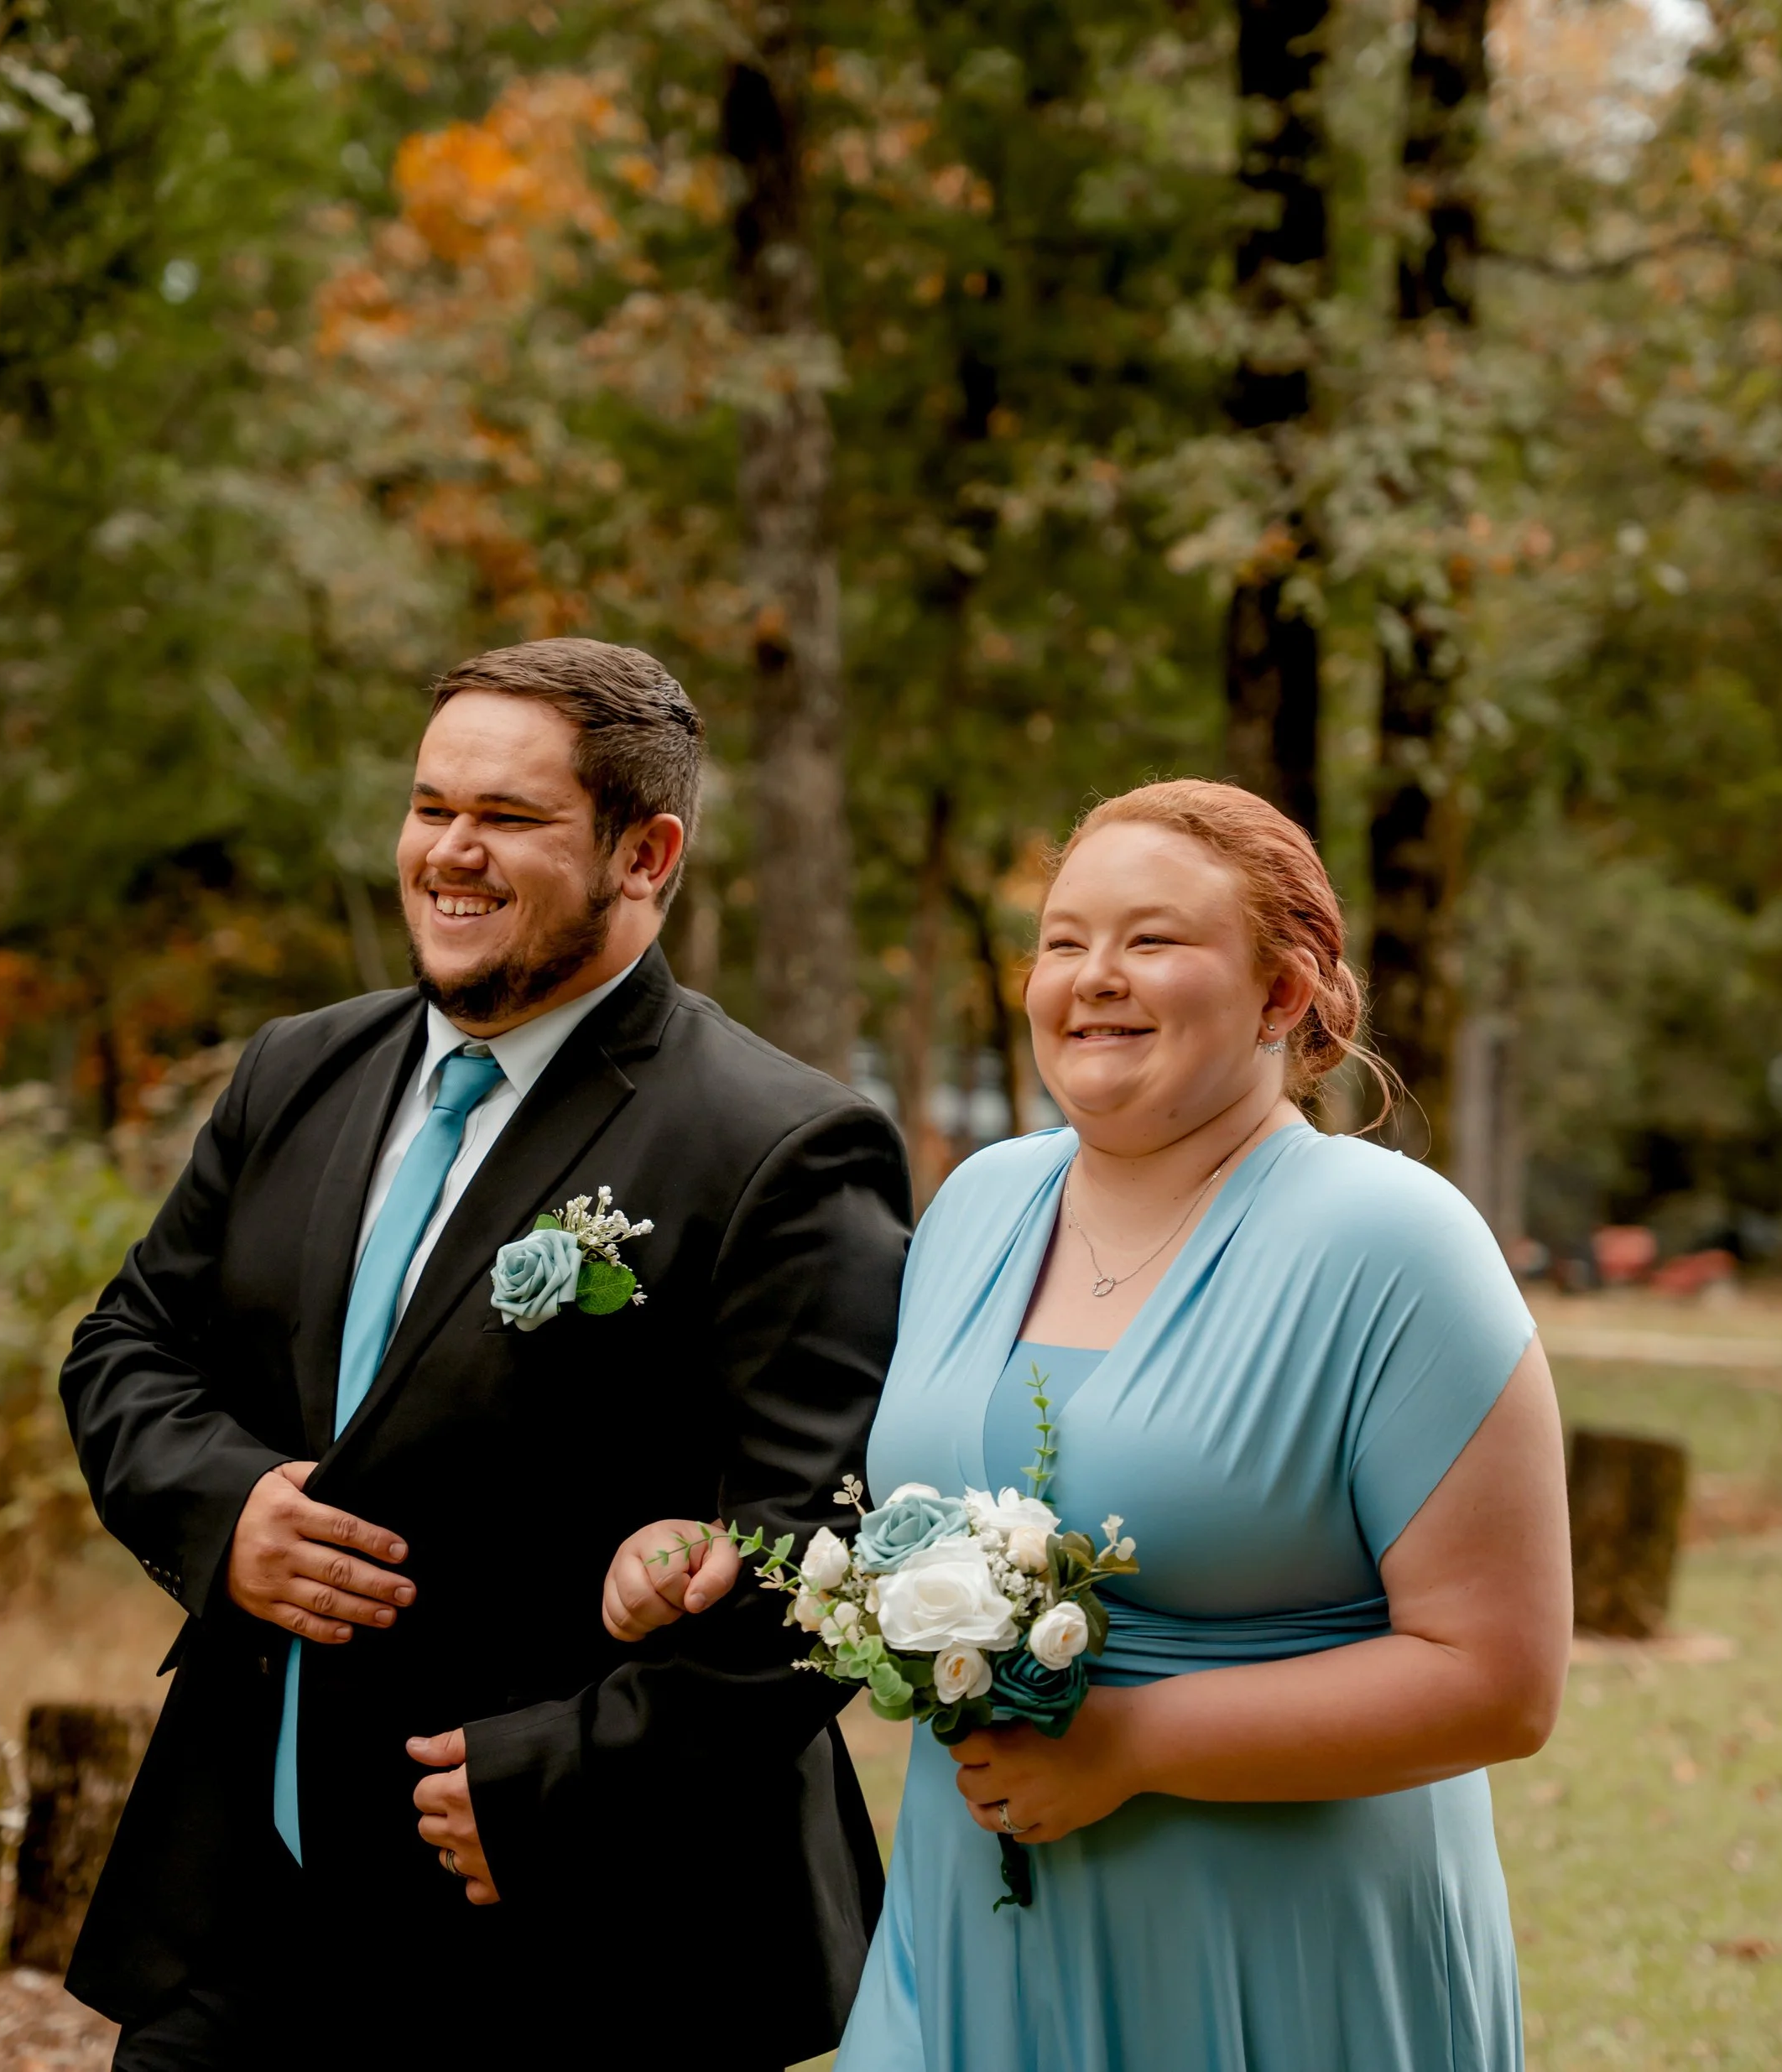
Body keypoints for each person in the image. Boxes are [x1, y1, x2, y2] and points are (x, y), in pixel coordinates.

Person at [607, 777, 1571, 2071]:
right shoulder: (975, 1205)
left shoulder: (1393, 1245)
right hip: (969, 1934)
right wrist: (732, 1554)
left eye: (1152, 941)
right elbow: (893, 1513)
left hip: (1278, 1950)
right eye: (1063, 941)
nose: (1093, 976)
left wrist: (1133, 1742)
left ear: (1283, 995)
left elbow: (1498, 1681)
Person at [61, 638, 911, 2068]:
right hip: (240, 1908)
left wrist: (559, 1778)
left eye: (507, 819)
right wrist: (228, 1508)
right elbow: (127, 1344)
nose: (448, 853)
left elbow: (827, 1554)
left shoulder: (781, 1146)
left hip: (567, 1930)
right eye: (429, 805)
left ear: (646, 854)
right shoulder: (297, 1069)